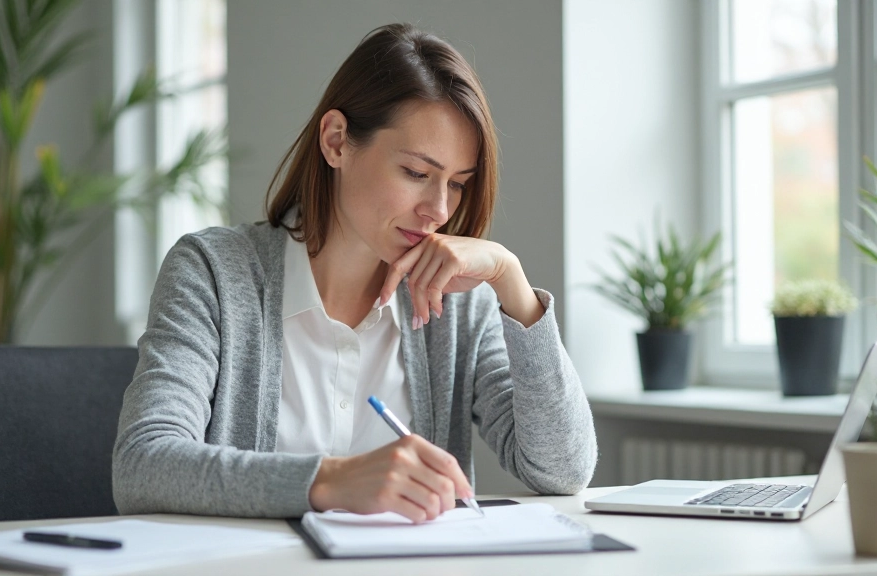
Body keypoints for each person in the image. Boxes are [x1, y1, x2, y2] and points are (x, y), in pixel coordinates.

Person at [112, 22, 596, 523]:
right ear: (337, 141)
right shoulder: (212, 273)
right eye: (416, 173)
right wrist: (334, 480)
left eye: (457, 184)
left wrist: (510, 280)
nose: (438, 210)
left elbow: (562, 470)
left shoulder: (457, 299)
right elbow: (142, 466)